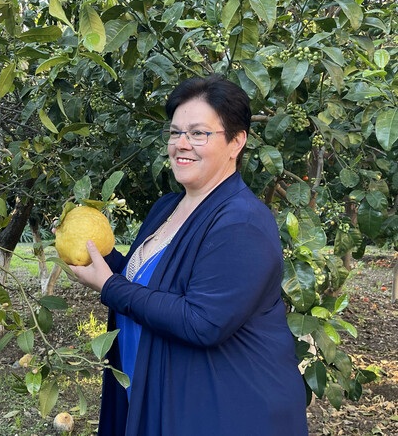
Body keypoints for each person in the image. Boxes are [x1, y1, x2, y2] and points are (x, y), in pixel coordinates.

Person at [66, 74, 308, 435]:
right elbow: (146, 280)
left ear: (236, 142)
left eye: (198, 133)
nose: (181, 144)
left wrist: (109, 287)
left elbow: (203, 322)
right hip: (157, 388)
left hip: (225, 408)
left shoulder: (243, 222)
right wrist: (90, 255)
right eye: (175, 132)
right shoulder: (167, 207)